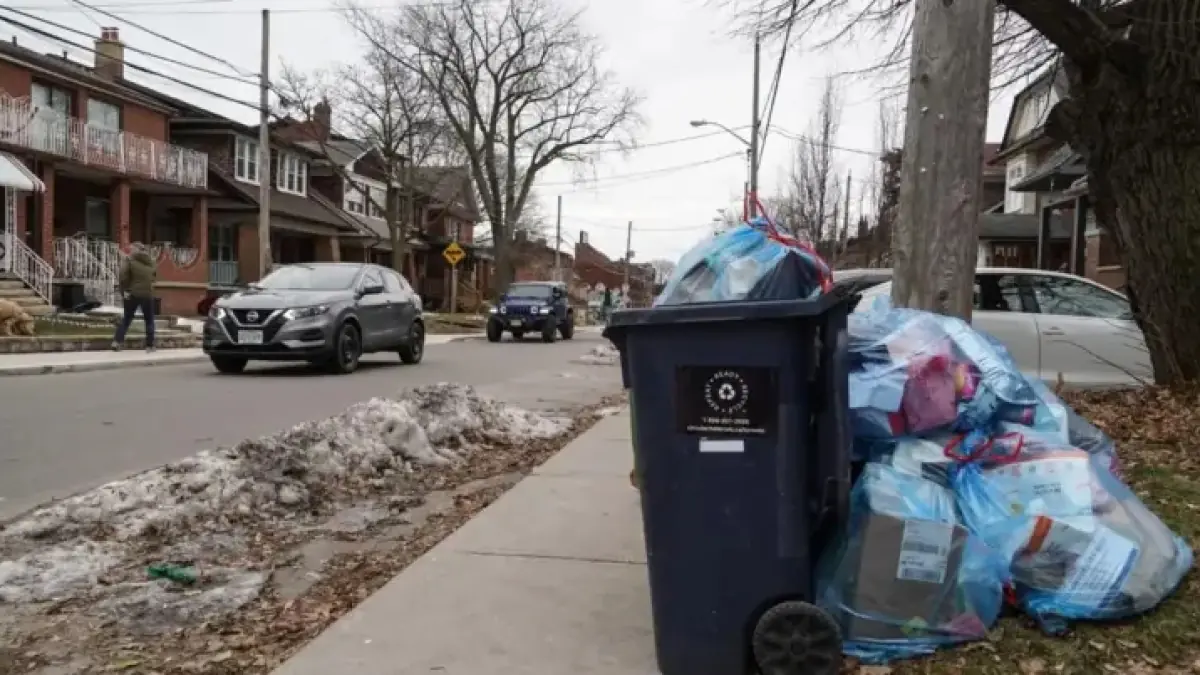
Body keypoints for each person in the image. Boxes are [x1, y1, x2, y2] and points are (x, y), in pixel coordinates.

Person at [112, 242, 157, 351]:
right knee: (149, 320)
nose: (131, 251)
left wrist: (124, 290)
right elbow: (154, 277)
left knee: (127, 318)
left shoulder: (129, 260)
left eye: (132, 249)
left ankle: (117, 342)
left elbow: (123, 277)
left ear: (137, 250)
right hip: (147, 294)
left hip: (132, 293)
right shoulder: (151, 261)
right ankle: (150, 345)